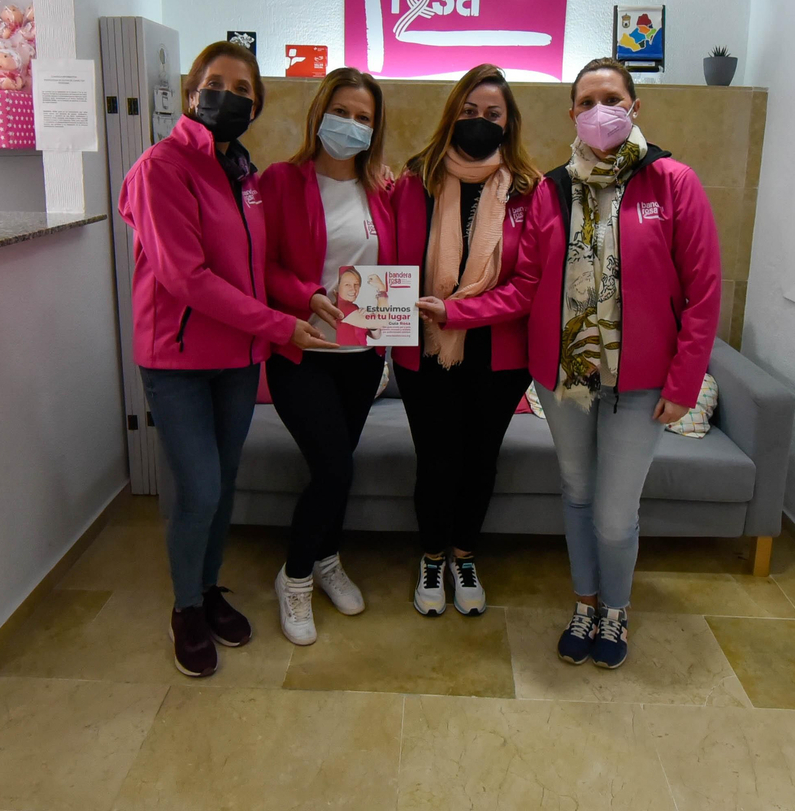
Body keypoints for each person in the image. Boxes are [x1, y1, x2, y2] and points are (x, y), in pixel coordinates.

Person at [418, 57, 721, 668]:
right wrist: (456, 313)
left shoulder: (672, 182)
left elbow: (704, 291)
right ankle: (585, 604)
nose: (597, 111)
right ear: (572, 114)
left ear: (634, 107)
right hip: (564, 381)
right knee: (578, 496)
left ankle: (616, 611)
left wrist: (685, 382)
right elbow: (526, 285)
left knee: (614, 514)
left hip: (640, 385)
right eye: (585, 101)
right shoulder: (552, 189)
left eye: (610, 98)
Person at [118, 41, 335, 677]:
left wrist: (313, 301)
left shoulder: (245, 175)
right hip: (178, 357)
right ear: (192, 93)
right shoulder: (163, 167)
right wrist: (282, 328)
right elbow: (187, 278)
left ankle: (209, 590)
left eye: (245, 90)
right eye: (218, 83)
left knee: (225, 481)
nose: (231, 96)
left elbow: (256, 270)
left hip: (238, 360)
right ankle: (185, 607)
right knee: (199, 489)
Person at [391, 64, 541, 617]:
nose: (480, 122)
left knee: (480, 459)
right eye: (470, 111)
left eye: (493, 114)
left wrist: (460, 311)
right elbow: (387, 255)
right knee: (434, 458)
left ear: (509, 121)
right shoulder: (413, 178)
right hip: (421, 349)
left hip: (498, 356)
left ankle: (463, 553)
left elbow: (529, 284)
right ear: (453, 113)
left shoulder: (530, 189)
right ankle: (432, 556)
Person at [259, 67, 396, 646]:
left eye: (364, 118)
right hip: (301, 350)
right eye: (342, 112)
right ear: (319, 114)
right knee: (335, 467)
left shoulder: (382, 189)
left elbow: (393, 265)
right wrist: (307, 296)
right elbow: (260, 265)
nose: (352, 125)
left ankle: (327, 557)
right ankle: (294, 577)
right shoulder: (280, 181)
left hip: (361, 354)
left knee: (338, 465)